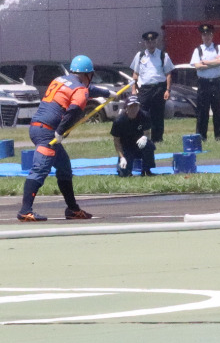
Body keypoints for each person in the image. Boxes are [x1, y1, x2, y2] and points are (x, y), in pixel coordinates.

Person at [17, 55, 96, 222]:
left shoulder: (61, 80)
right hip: (47, 132)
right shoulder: (80, 90)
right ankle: (25, 210)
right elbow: (73, 111)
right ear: (87, 75)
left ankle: (72, 209)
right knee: (40, 170)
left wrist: (107, 92)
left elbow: (87, 91)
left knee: (64, 168)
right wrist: (60, 131)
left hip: (38, 127)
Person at [130, 31, 172, 144]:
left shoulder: (163, 55)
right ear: (145, 43)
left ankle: (157, 139)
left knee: (158, 115)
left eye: (153, 41)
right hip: (144, 90)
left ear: (156, 42)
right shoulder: (140, 55)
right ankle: (142, 138)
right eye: (148, 42)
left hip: (159, 88)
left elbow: (168, 74)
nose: (150, 44)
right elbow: (135, 74)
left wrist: (168, 90)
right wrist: (133, 90)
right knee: (142, 114)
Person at [190, 23, 220, 142]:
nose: (206, 37)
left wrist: (205, 62)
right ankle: (201, 137)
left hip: (216, 83)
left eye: (208, 35)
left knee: (218, 110)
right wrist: (214, 62)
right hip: (203, 84)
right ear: (201, 36)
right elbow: (197, 66)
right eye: (204, 35)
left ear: (212, 36)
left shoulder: (219, 48)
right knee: (202, 111)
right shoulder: (198, 50)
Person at [110, 95, 155, 177]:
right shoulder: (119, 121)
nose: (134, 109)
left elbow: (148, 133)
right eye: (131, 106)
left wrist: (145, 137)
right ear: (126, 107)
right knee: (124, 174)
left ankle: (146, 170)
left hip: (140, 145)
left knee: (149, 145)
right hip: (126, 148)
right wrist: (122, 157)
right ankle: (124, 166)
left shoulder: (144, 116)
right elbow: (116, 141)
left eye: (136, 106)